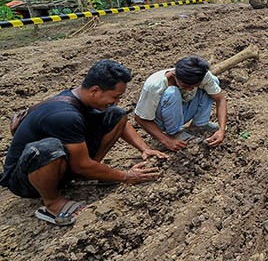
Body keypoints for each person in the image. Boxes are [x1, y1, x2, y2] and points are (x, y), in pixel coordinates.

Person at [1, 60, 166, 226]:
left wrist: (145, 148)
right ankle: (51, 203)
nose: (116, 101)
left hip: (58, 163)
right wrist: (126, 176)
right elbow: (81, 164)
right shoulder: (65, 115)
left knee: (116, 114)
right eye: (115, 97)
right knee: (48, 149)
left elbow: (121, 122)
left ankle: (87, 174)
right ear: (95, 90)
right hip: (24, 179)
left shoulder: (81, 100)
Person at [134, 55, 227, 151]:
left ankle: (199, 124)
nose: (190, 89)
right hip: (161, 120)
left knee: (213, 81)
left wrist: (221, 130)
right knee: (172, 92)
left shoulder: (202, 76)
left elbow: (220, 99)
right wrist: (166, 140)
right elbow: (139, 118)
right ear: (174, 75)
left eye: (194, 86)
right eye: (186, 85)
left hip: (182, 110)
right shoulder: (154, 85)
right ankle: (175, 133)